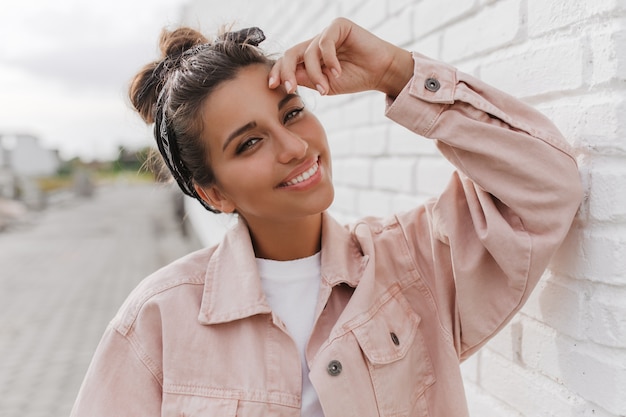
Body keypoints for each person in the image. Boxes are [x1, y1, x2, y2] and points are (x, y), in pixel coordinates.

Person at [70, 17, 583, 417]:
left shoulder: (413, 265)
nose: (295, 147)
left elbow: (548, 184)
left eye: (292, 112)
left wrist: (393, 73)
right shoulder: (158, 319)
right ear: (213, 192)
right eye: (249, 143)